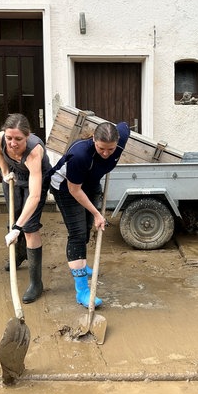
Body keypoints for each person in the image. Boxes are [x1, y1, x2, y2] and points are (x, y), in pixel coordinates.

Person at [48, 121, 130, 307]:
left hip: (90, 183)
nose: (106, 153)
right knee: (77, 234)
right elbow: (74, 190)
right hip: (66, 188)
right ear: (93, 139)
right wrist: (97, 214)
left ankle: (82, 265)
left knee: (85, 229)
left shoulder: (121, 137)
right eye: (101, 148)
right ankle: (82, 291)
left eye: (111, 149)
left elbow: (124, 125)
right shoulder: (80, 155)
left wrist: (94, 214)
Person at [0, 113, 52, 303]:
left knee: (29, 227)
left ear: (27, 136)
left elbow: (34, 196)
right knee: (13, 217)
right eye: (9, 138)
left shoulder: (34, 152)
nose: (12, 143)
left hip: (36, 179)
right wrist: (5, 173)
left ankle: (36, 283)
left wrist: (18, 228)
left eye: (18, 139)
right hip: (13, 175)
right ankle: (19, 254)